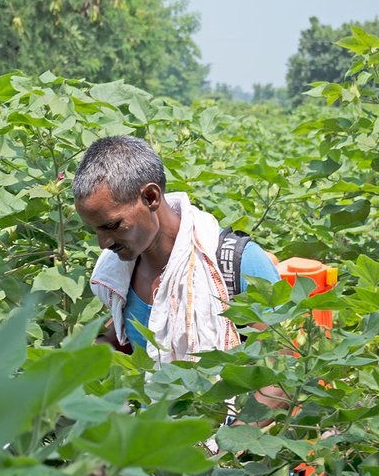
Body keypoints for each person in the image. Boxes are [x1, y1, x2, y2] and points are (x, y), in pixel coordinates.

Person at [73, 136, 284, 411]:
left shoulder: (238, 263)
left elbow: (282, 375)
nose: (103, 243)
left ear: (150, 197)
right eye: (95, 229)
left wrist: (235, 442)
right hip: (153, 439)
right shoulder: (121, 271)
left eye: (112, 226)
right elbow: (132, 340)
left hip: (225, 438)